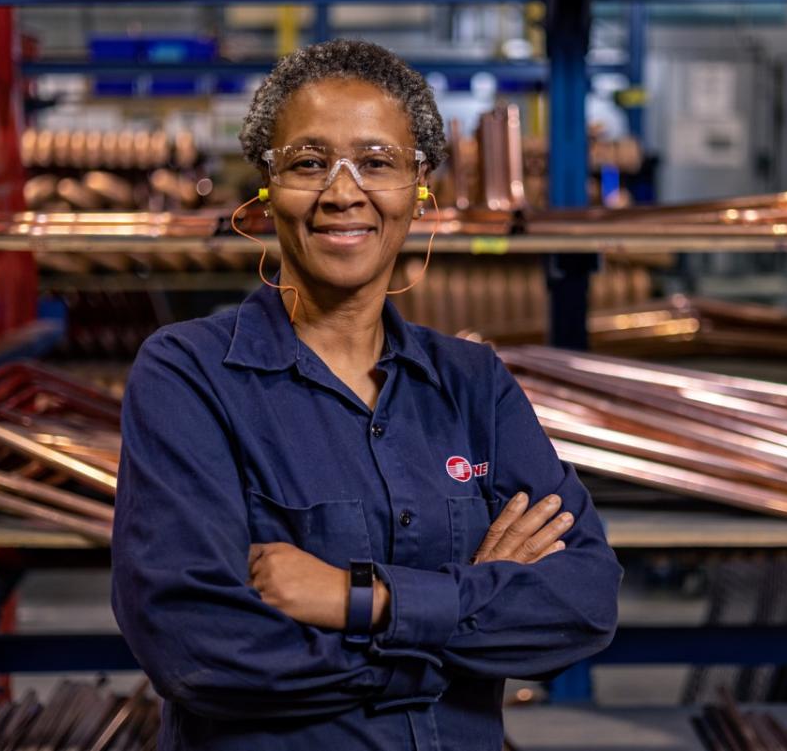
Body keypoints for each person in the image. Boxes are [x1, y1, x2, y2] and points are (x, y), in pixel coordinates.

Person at [111, 38, 622, 751]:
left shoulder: (473, 385)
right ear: (267, 187)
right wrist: (458, 618)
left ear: (419, 188)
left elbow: (585, 599)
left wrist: (363, 599)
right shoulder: (190, 375)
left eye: (376, 163)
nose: (342, 192)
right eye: (309, 162)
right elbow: (196, 646)